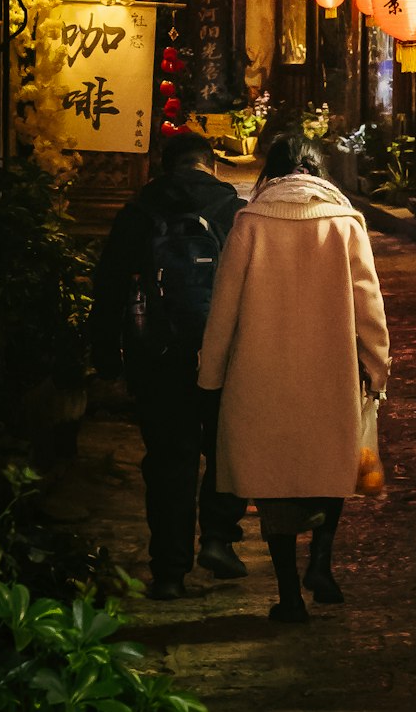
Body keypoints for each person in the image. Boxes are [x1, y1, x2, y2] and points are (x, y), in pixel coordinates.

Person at [198, 131, 391, 623]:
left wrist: (211, 375)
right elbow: (369, 306)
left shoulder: (250, 221)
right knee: (332, 461)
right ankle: (322, 562)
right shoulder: (346, 223)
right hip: (332, 371)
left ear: (272, 170)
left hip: (260, 373)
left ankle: (289, 597)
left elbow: (224, 307)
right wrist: (377, 365)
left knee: (274, 481)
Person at [89, 131, 247, 600]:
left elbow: (110, 285)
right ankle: (218, 537)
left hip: (155, 353)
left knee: (168, 459)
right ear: (211, 164)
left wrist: (104, 353)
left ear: (165, 165)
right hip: (223, 352)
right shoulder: (235, 212)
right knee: (228, 447)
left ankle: (170, 572)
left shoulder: (138, 213)